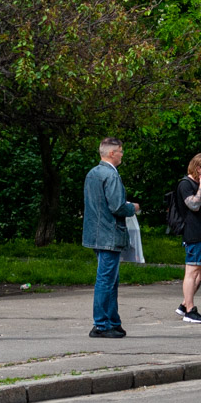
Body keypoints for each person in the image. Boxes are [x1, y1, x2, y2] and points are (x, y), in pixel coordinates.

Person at [81, 137, 139, 338]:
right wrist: (133, 207)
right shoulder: (111, 175)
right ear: (112, 153)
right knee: (106, 280)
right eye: (121, 151)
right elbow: (117, 206)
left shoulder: (93, 173)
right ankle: (102, 324)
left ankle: (112, 320)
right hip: (109, 233)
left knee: (110, 279)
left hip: (96, 232)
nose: (122, 155)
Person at [174, 154, 201, 324]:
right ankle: (190, 309)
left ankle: (184, 303)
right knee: (192, 271)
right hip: (193, 232)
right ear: (199, 169)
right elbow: (194, 205)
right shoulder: (185, 184)